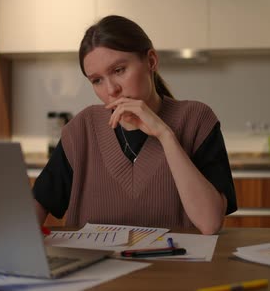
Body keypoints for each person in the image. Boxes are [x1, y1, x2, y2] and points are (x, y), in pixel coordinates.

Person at [33, 15, 236, 235]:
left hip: (175, 267)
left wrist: (165, 135)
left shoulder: (197, 119)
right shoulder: (82, 128)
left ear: (151, 61)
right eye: (97, 80)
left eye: (119, 70)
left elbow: (210, 223)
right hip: (97, 268)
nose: (111, 90)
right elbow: (34, 209)